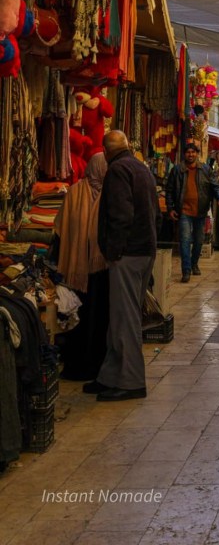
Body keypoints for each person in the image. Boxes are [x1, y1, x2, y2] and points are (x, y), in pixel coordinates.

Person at [83, 130, 159, 402]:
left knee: (124, 319)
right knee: (121, 318)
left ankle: (131, 381)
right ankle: (110, 376)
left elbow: (120, 215)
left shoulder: (117, 172)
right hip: (144, 251)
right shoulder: (141, 168)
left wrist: (113, 252)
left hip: (128, 254)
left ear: (105, 152)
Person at [54, 152, 109, 381]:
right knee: (96, 317)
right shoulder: (108, 194)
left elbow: (59, 229)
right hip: (97, 271)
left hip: (75, 269)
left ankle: (77, 365)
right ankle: (94, 365)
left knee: (79, 317)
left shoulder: (75, 192)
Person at [165, 140, 219, 282]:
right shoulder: (177, 170)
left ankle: (194, 263)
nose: (190, 154)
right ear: (185, 154)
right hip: (184, 211)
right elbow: (169, 190)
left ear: (197, 154)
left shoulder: (205, 169)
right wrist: (170, 208)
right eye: (188, 152)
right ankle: (186, 270)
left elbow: (215, 185)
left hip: (201, 211)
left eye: (193, 152)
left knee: (198, 241)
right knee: (185, 240)